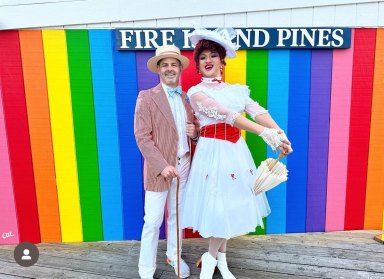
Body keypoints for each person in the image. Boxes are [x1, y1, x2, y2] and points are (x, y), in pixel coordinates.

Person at [180, 28, 293, 279]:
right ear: (198, 65)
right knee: (217, 207)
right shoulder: (196, 92)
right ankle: (210, 261)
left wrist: (280, 135)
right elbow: (227, 115)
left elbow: (257, 111)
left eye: (213, 56)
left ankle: (219, 261)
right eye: (203, 57)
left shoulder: (237, 90)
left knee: (230, 205)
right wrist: (265, 134)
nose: (208, 60)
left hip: (235, 153)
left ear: (222, 61)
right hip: (212, 154)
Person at [134, 45, 198, 279]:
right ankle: (146, 269)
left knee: (177, 215)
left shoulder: (186, 98)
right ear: (158, 69)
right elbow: (142, 137)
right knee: (152, 220)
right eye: (165, 64)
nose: (170, 68)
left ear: (180, 68)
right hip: (159, 169)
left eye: (174, 64)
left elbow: (194, 133)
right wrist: (162, 165)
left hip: (184, 165)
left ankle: (174, 255)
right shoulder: (147, 97)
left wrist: (195, 133)